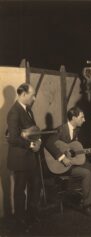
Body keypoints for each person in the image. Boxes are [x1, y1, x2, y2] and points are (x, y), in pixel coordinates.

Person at [45, 107, 91, 215]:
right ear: (74, 117)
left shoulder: (78, 130)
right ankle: (87, 205)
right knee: (86, 173)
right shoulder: (60, 129)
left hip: (75, 162)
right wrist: (62, 158)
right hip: (62, 166)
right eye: (82, 117)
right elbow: (48, 143)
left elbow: (77, 149)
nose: (84, 120)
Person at [7, 83, 41, 231]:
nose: (34, 97)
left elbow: (33, 130)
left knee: (35, 187)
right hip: (20, 159)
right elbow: (13, 138)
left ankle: (32, 216)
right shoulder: (14, 112)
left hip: (29, 158)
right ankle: (20, 222)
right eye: (32, 94)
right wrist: (31, 146)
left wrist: (38, 140)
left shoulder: (28, 110)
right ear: (23, 94)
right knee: (20, 192)